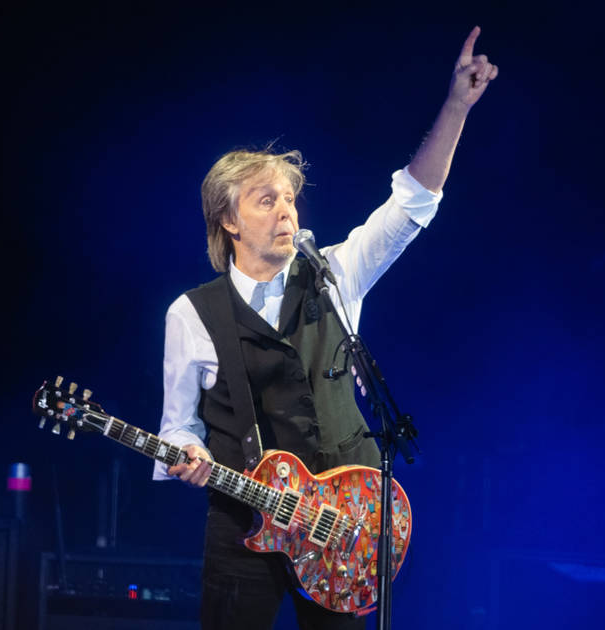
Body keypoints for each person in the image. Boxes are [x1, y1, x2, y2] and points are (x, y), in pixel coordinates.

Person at [153, 26, 497, 630]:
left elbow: (412, 202)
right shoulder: (191, 315)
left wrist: (456, 106)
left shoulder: (333, 273)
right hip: (245, 528)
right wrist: (189, 457)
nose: (286, 210)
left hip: (342, 525)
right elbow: (179, 427)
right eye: (266, 200)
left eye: (290, 198)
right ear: (228, 221)